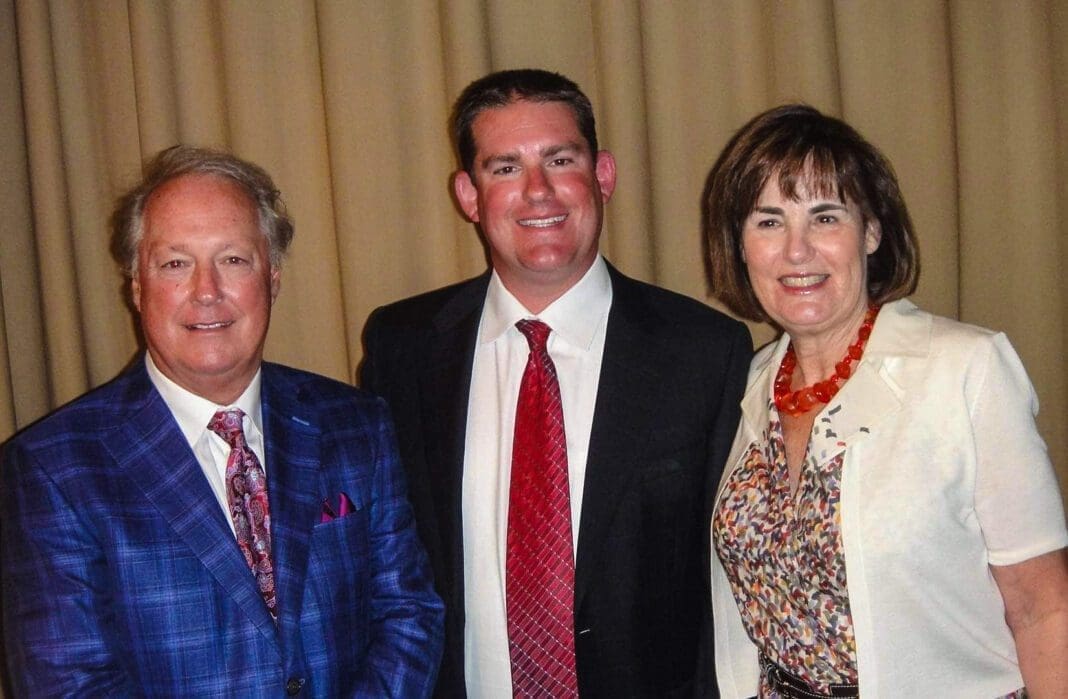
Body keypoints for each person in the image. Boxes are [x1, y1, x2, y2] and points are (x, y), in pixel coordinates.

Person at [360, 69, 752, 698]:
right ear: (468, 194)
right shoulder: (402, 347)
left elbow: (729, 584)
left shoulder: (704, 352)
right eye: (505, 168)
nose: (537, 192)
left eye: (559, 160)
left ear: (603, 176)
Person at [0, 146, 444, 697]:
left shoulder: (357, 425)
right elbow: (67, 683)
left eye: (234, 259)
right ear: (137, 287)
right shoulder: (53, 467)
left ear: (273, 278)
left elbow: (409, 614)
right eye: (174, 264)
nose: (206, 291)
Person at [704, 104, 1068, 698]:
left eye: (825, 217)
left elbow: (1043, 608)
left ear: (871, 231)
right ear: (741, 246)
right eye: (768, 222)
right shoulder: (743, 386)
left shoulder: (965, 370)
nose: (797, 252)